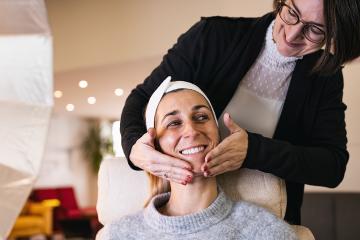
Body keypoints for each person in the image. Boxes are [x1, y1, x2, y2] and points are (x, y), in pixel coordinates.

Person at [120, 0, 360, 224]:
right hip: (193, 213)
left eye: (315, 30)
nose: (292, 34)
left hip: (268, 220)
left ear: (333, 34)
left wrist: (253, 150)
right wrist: (134, 148)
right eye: (292, 13)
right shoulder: (212, 36)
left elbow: (332, 166)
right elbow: (142, 98)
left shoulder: (324, 76)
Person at [101, 79, 298, 239]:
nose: (192, 131)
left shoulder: (266, 232)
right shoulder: (119, 235)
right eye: (174, 122)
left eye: (202, 117)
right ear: (155, 147)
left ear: (218, 134)